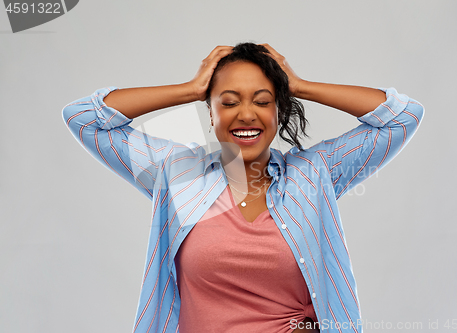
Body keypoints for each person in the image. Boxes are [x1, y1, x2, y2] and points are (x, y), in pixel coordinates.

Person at [62, 43, 424, 333]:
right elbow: (85, 119)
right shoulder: (177, 173)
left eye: (263, 101)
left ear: (278, 110)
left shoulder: (313, 174)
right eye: (229, 102)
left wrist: (298, 86)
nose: (247, 114)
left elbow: (400, 117)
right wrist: (189, 89)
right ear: (210, 112)